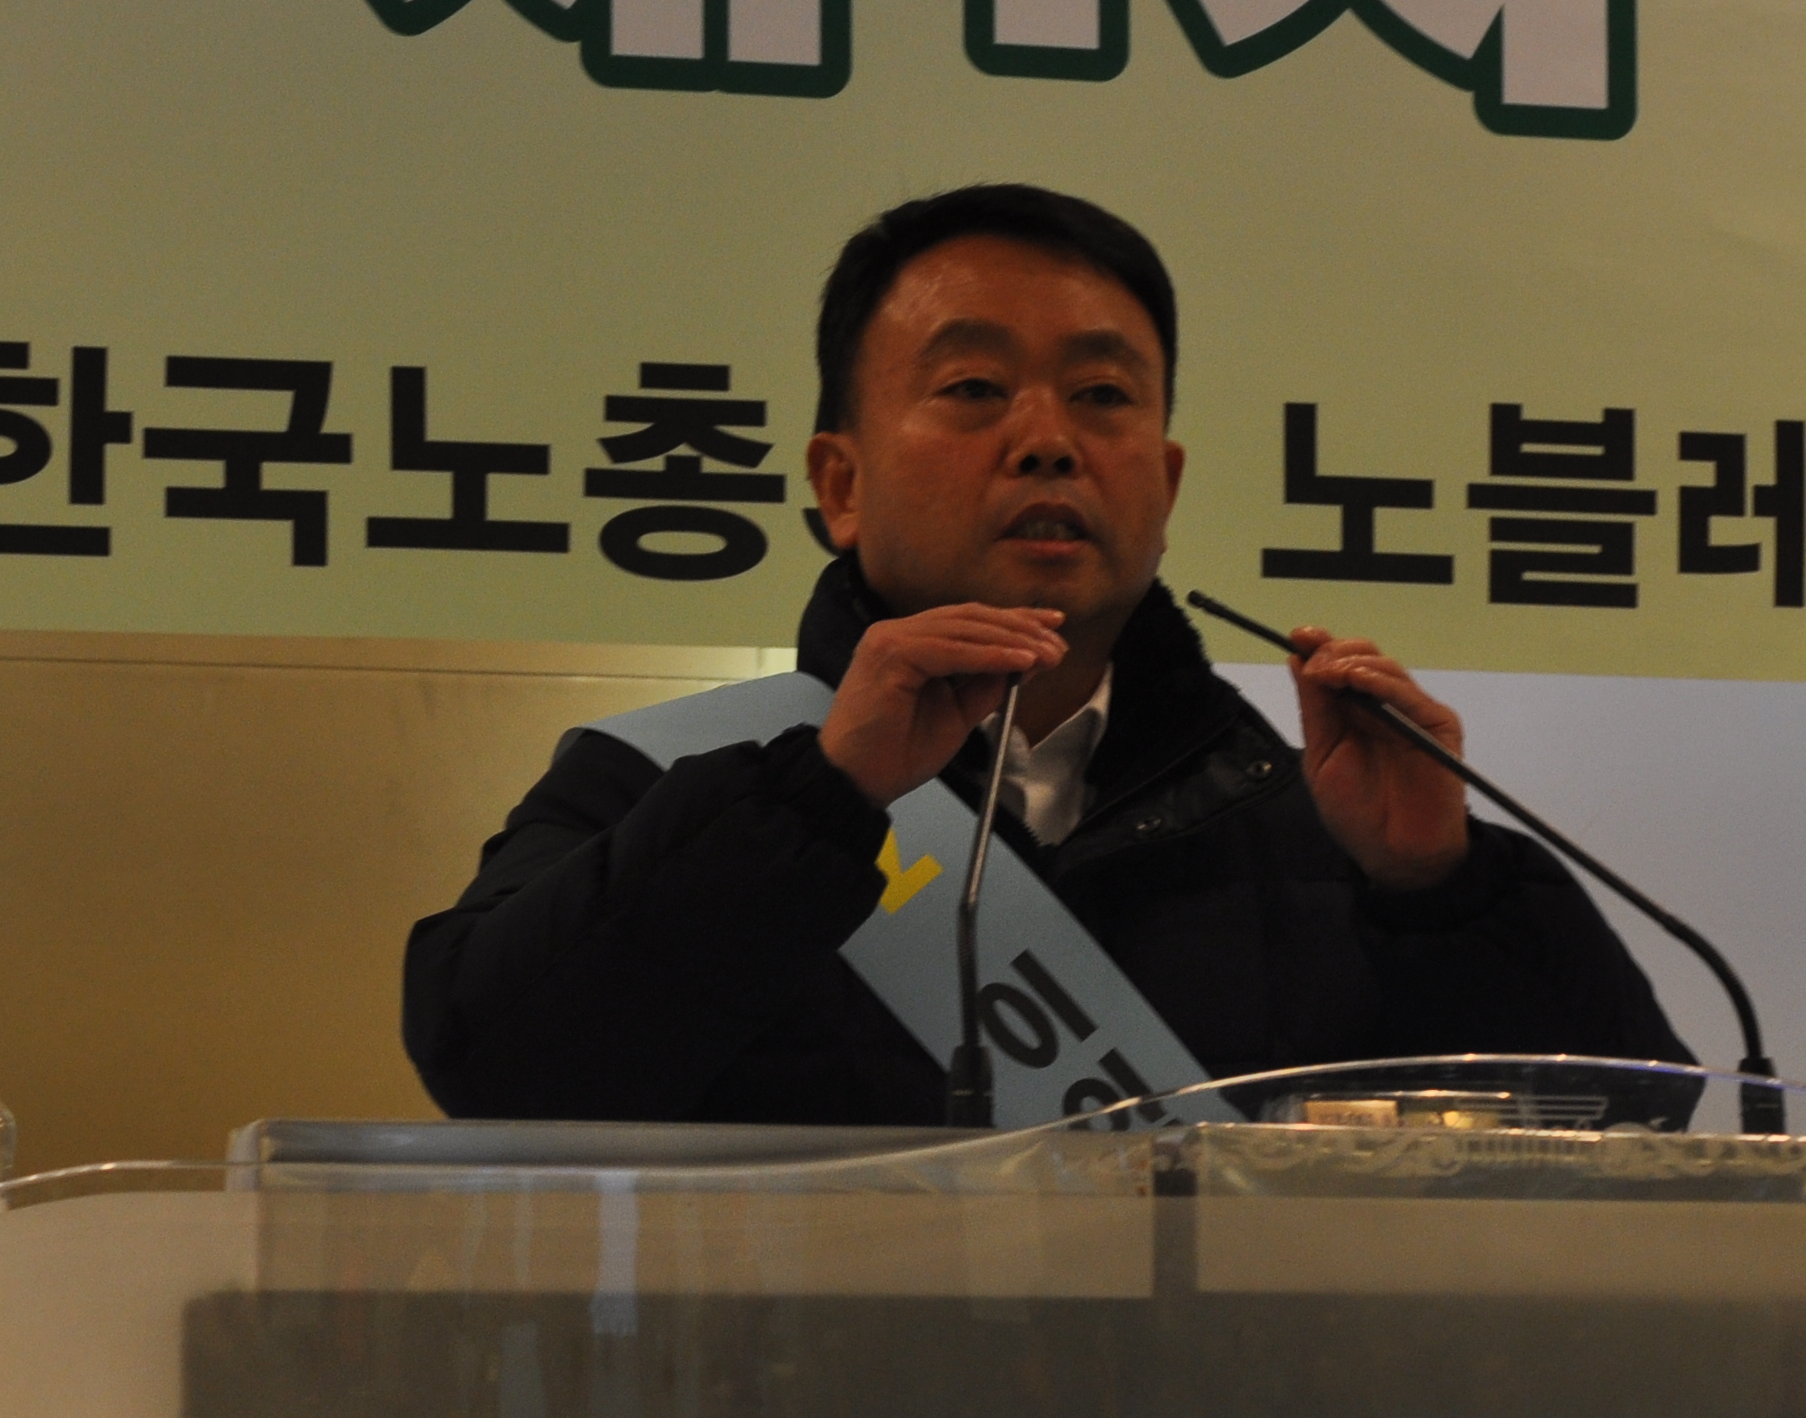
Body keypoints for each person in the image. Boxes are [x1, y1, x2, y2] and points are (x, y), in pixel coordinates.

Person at [400, 182, 1697, 1124]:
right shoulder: (685, 784)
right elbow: (495, 1070)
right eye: (973, 389)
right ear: (840, 485)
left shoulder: (1308, 808)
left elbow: (1627, 1139)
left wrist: (1440, 892)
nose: (1047, 440)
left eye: (1103, 396)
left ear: (1165, 484)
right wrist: (818, 802)